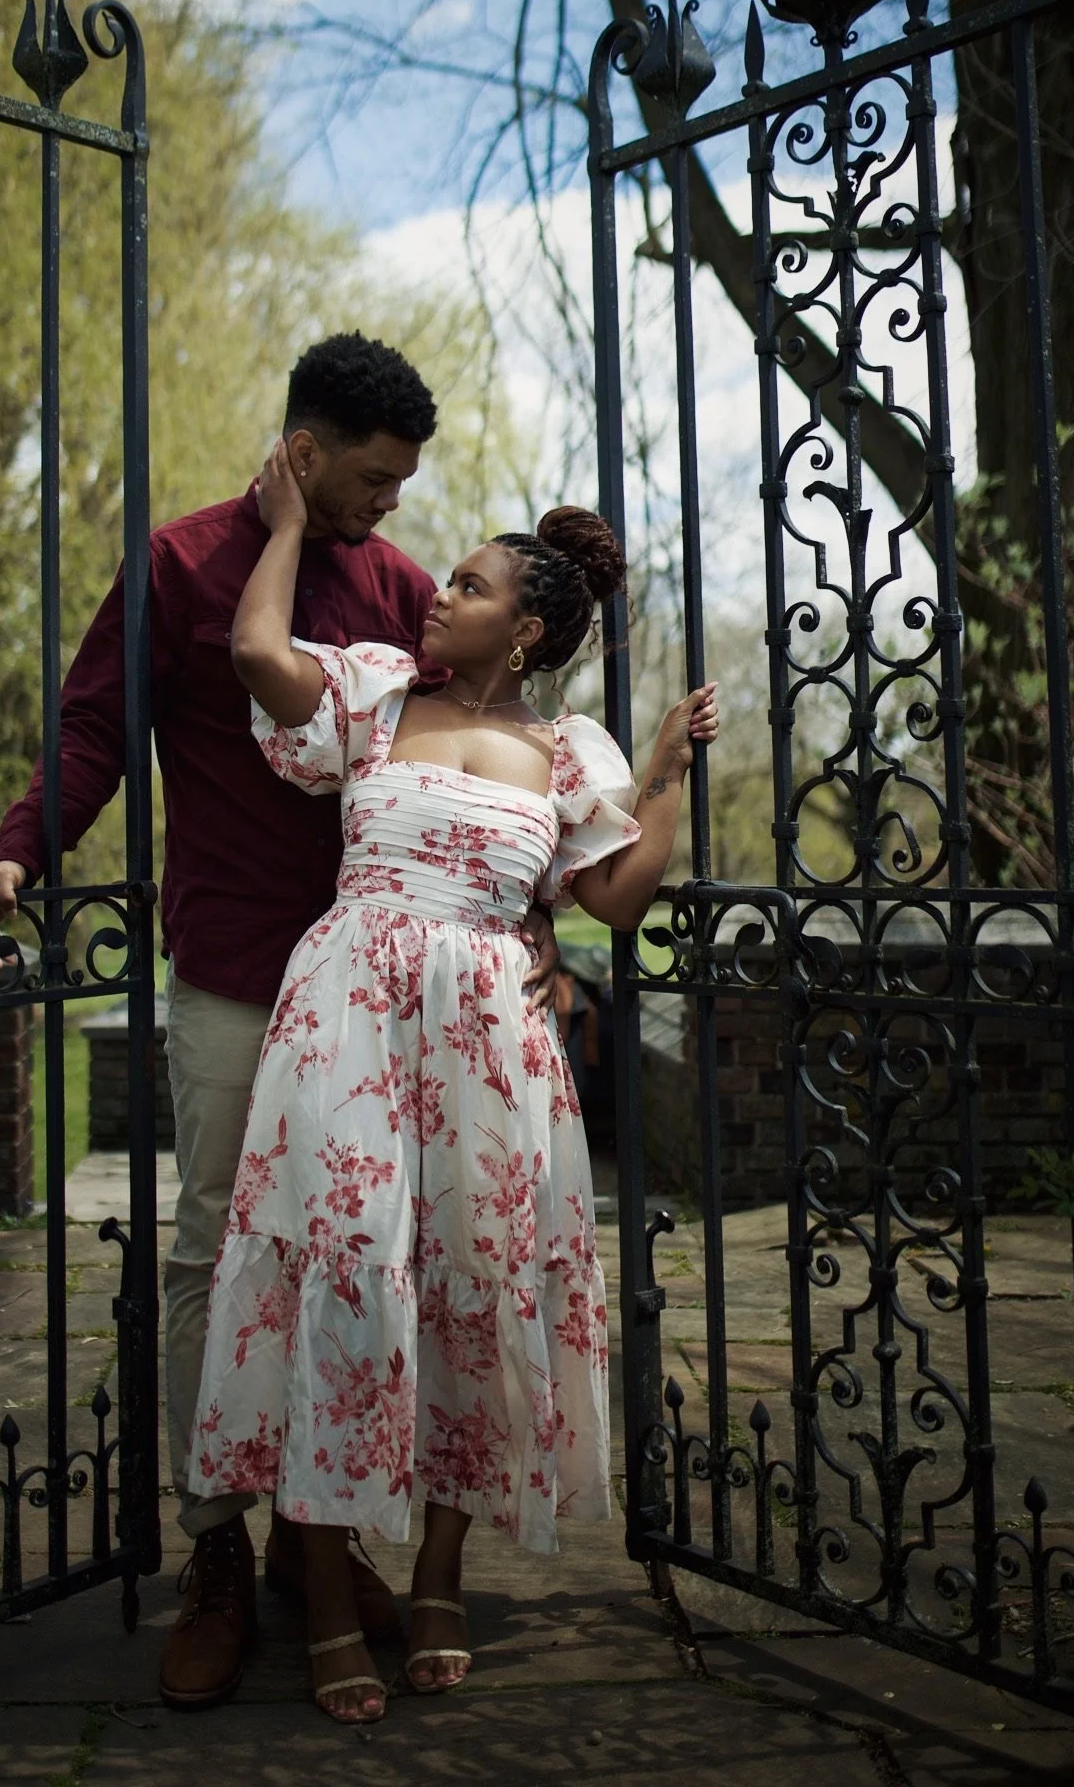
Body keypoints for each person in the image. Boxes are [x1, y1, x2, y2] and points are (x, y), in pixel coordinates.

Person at [0, 333, 563, 1710]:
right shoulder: (183, 565)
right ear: (303, 453)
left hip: (393, 1005)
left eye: (406, 483)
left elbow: (487, 753)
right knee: (220, 1255)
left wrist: (524, 908)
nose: (393, 506)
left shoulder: (409, 591)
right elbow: (92, 733)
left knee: (369, 1263)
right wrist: (24, 845)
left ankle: (328, 1534)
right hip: (245, 973)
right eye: (372, 477)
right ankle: (219, 1549)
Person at [188, 441, 719, 1724]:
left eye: (470, 588)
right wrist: (275, 529)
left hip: (491, 1038)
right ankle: (320, 1600)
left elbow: (606, 897)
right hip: (349, 1017)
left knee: (470, 1294)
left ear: (527, 627)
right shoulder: (374, 692)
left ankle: (436, 1576)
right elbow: (260, 660)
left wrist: (664, 785)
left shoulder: (569, 749)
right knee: (343, 1276)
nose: (439, 596)